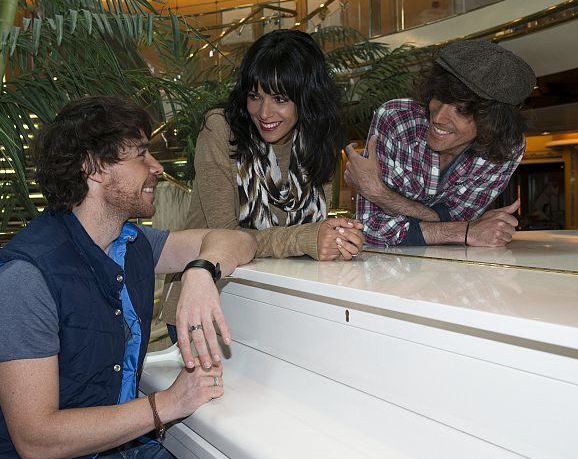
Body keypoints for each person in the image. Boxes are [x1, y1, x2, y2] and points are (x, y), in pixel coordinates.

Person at [0, 96, 257, 459]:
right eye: (142, 154)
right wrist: (166, 404)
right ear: (93, 168)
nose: (157, 167)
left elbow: (239, 240)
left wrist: (200, 272)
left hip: (110, 452)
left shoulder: (131, 243)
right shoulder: (24, 279)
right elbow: (36, 439)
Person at [163, 29, 364, 341]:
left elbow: (316, 232)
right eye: (255, 96)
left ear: (307, 98)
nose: (264, 112)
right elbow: (225, 238)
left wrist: (338, 239)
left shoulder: (318, 141)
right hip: (209, 309)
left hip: (281, 306)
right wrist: (307, 239)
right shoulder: (221, 130)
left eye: (280, 99)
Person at [344, 39, 536, 247]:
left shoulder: (507, 146)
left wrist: (378, 192)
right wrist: (466, 230)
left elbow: (458, 218)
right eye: (440, 98)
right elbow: (372, 229)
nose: (439, 118)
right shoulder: (397, 119)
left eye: (461, 110)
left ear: (493, 121)